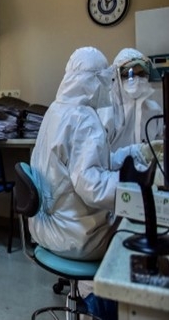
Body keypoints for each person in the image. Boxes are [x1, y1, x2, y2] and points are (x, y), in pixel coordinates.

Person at [29, 46, 157, 262]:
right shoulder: (84, 120)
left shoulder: (56, 110)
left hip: (45, 227)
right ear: (94, 81)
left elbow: (91, 165)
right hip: (76, 238)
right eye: (106, 79)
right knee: (142, 225)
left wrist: (135, 153)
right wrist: (136, 182)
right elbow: (92, 188)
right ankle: (114, 284)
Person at [99, 48, 163, 151]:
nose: (136, 79)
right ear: (117, 76)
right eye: (130, 74)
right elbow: (99, 153)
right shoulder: (106, 110)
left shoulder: (154, 110)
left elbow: (160, 148)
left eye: (141, 74)